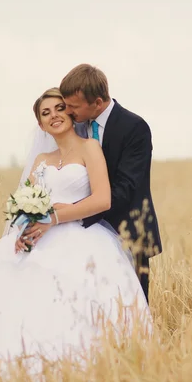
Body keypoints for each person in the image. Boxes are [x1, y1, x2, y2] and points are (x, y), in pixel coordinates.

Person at [0, 87, 152, 382]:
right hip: (38, 239)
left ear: (70, 112)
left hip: (81, 238)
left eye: (59, 108)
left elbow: (102, 200)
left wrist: (54, 217)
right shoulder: (41, 161)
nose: (54, 116)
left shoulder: (90, 148)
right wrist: (23, 230)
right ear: (40, 125)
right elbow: (25, 202)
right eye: (46, 113)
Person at [40, 64, 162, 304]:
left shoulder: (134, 128)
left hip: (127, 230)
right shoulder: (76, 126)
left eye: (73, 107)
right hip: (76, 237)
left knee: (133, 307)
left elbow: (126, 187)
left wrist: (72, 211)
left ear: (96, 102)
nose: (69, 113)